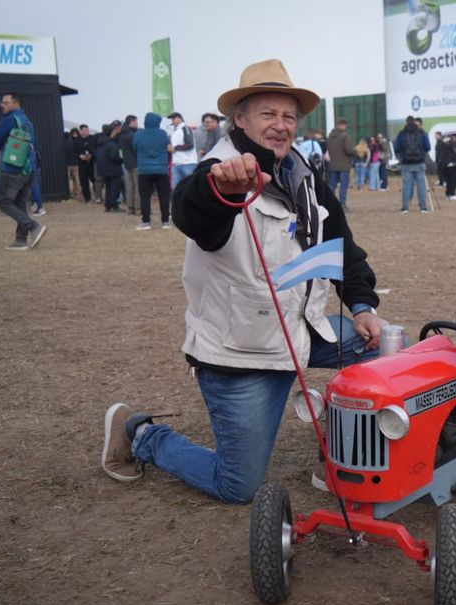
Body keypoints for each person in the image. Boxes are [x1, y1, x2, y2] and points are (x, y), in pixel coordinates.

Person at [101, 58, 386, 505]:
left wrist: (364, 306)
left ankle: (346, 451)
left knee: (386, 349)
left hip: (301, 333)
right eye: (268, 114)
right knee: (239, 486)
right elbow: (191, 211)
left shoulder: (303, 175)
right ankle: (140, 435)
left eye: (289, 116)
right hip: (242, 353)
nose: (280, 125)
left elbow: (341, 246)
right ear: (240, 118)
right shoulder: (220, 170)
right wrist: (224, 192)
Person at [0, 92, 46, 251]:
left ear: (15, 103)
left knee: (4, 202)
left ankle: (33, 226)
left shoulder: (9, 120)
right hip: (30, 169)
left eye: (5, 102)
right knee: (21, 204)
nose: (2, 105)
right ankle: (21, 241)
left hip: (13, 167)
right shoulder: (27, 121)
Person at [134, 111, 172, 229]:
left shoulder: (138, 134)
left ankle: (146, 222)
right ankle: (165, 221)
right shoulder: (162, 134)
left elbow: (135, 148)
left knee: (145, 196)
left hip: (144, 170)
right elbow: (168, 149)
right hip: (161, 169)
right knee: (164, 196)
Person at [392, 115, 431, 213]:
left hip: (406, 163)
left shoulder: (402, 133)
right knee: (421, 186)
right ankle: (423, 207)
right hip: (420, 163)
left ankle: (406, 207)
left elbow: (396, 148)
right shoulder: (421, 132)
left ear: (406, 122)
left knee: (407, 186)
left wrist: (402, 155)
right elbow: (427, 147)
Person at [95, 122, 125, 212]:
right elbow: (114, 156)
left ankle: (108, 206)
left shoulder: (101, 143)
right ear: (112, 132)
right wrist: (121, 159)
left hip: (103, 169)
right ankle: (114, 205)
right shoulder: (112, 144)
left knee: (108, 187)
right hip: (113, 168)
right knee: (115, 187)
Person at [326, 117, 354, 206]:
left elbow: (328, 149)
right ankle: (342, 203)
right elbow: (349, 150)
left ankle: (329, 203)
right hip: (344, 165)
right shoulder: (345, 136)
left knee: (332, 185)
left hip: (333, 164)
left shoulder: (330, 136)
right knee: (343, 185)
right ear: (344, 125)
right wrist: (356, 151)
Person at [168, 112, 198, 188]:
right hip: (177, 163)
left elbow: (190, 144)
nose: (172, 121)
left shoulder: (185, 128)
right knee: (176, 188)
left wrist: (175, 148)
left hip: (188, 163)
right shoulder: (176, 131)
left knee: (189, 187)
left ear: (179, 119)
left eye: (173, 118)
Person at [119, 114, 140, 216]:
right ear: (132, 122)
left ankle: (130, 208)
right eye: (136, 122)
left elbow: (120, 150)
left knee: (130, 186)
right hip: (135, 163)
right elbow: (136, 148)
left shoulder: (122, 135)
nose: (137, 124)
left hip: (126, 163)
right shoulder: (132, 134)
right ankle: (138, 208)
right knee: (138, 186)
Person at [436, 132, 456, 201]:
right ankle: (452, 194)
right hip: (452, 164)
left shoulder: (440, 144)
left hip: (444, 165)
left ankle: (448, 194)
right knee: (453, 180)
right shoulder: (451, 143)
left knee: (448, 180)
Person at [75, 125, 94, 203]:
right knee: (84, 181)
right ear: (81, 131)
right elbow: (74, 152)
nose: (87, 132)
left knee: (95, 179)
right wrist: (80, 156)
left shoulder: (92, 139)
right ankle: (87, 198)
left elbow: (95, 148)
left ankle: (97, 195)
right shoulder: (77, 141)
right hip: (82, 164)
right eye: (85, 130)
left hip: (91, 162)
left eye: (87, 130)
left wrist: (91, 155)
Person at [65, 128, 82, 200]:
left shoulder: (66, 142)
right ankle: (77, 192)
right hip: (76, 163)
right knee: (76, 179)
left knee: (68, 180)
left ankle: (69, 193)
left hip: (68, 163)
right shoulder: (78, 142)